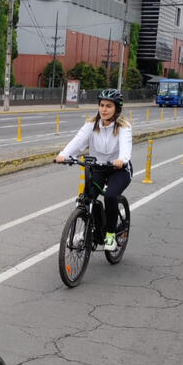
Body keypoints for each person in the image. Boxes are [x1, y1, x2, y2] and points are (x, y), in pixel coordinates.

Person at [55, 89, 132, 251]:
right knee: (87, 198)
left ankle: (110, 234)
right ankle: (92, 232)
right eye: (102, 105)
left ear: (116, 109)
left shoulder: (123, 127)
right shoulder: (91, 125)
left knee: (110, 195)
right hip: (98, 167)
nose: (104, 109)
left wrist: (122, 160)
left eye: (109, 106)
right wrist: (64, 155)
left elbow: (126, 147)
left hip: (119, 169)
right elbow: (78, 141)